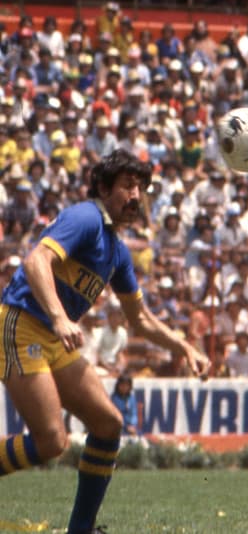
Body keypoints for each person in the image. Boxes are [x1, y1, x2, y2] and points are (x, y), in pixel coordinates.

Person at [0, 150, 210, 534]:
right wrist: (61, 317)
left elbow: (140, 319)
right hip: (22, 324)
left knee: (108, 423)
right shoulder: (85, 218)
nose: (136, 196)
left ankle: (81, 530)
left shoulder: (118, 251)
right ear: (103, 187)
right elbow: (35, 262)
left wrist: (185, 347)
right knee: (51, 441)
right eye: (128, 185)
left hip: (53, 336)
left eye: (142, 188)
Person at [108, 375, 139, 440]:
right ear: (118, 385)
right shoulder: (113, 399)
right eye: (122, 385)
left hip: (131, 428)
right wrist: (125, 427)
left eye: (127, 385)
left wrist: (133, 425)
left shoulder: (131, 398)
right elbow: (114, 416)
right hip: (118, 428)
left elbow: (134, 413)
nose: (124, 387)